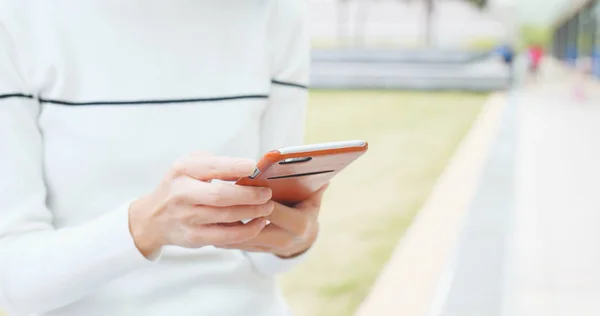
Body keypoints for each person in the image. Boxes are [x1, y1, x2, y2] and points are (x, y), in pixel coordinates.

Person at [0, 2, 322, 316]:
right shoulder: (18, 18)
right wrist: (147, 227)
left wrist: (296, 238)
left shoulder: (276, 12)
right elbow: (15, 284)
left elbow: (266, 260)